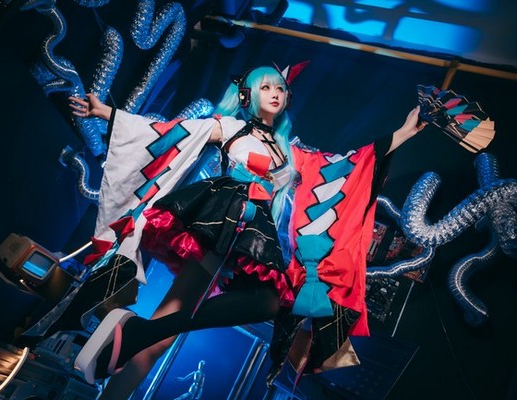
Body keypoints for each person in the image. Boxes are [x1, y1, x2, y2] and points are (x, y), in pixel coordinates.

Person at [67, 64, 425, 398]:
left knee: (247, 308)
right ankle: (134, 344)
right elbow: (171, 133)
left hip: (254, 239)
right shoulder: (231, 127)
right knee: (187, 324)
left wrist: (403, 134)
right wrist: (107, 113)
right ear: (247, 94)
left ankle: (137, 335)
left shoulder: (290, 152)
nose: (275, 93)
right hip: (220, 225)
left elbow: (343, 166)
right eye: (265, 87)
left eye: (280, 88)